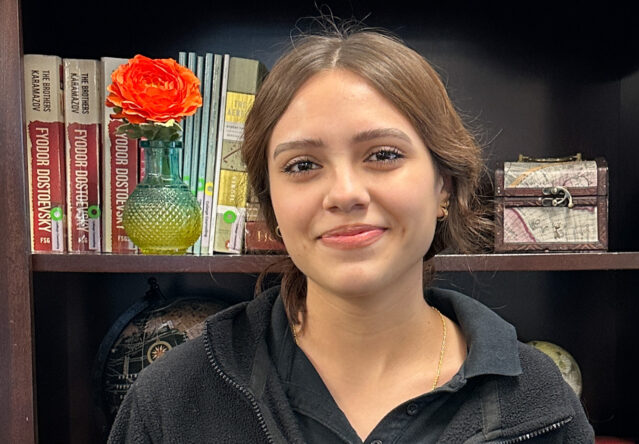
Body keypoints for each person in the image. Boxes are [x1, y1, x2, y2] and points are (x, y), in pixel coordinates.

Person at [108, 26, 594, 444]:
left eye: (383, 155)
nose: (343, 193)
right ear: (272, 207)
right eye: (302, 165)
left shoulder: (541, 405)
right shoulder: (170, 401)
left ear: (443, 185)